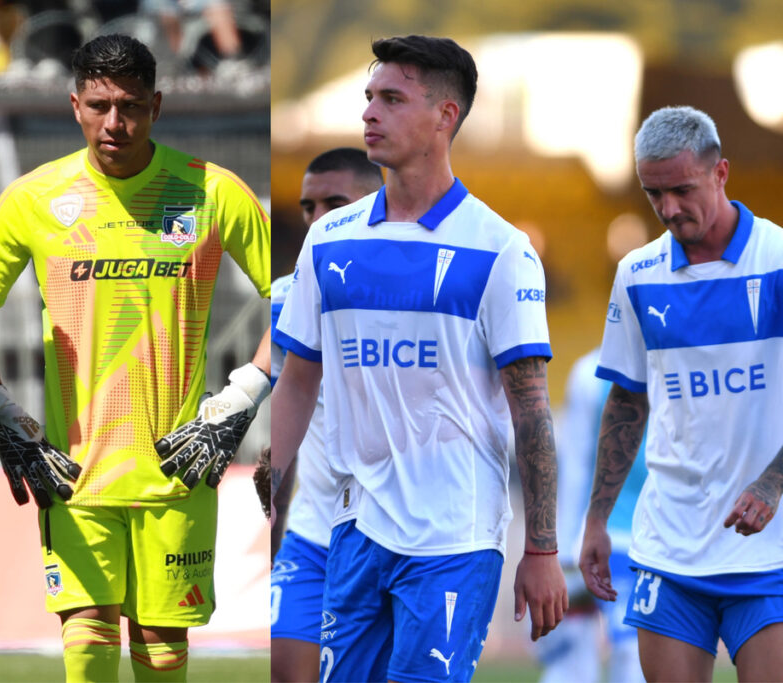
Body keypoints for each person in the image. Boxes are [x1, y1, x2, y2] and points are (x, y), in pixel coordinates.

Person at [0, 33, 270, 682]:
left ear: (157, 104)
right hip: (74, 472)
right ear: (74, 104)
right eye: (100, 105)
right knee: (88, 635)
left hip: (178, 469)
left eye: (131, 105)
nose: (115, 122)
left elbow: (301, 298)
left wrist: (245, 391)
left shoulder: (213, 192)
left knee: (163, 647)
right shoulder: (32, 199)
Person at [270, 34, 567, 682]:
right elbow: (296, 381)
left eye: (392, 99)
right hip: (353, 531)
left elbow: (532, 411)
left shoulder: (499, 250)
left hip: (454, 541)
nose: (369, 114)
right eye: (369, 97)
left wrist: (542, 547)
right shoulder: (328, 240)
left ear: (445, 115)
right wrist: (275, 487)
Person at [580, 105, 783, 682]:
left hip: (770, 550)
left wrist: (772, 483)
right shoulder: (638, 274)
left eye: (681, 189)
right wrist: (597, 518)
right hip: (669, 547)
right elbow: (627, 400)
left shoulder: (777, 260)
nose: (668, 208)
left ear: (721, 173)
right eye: (653, 194)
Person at [269, 147, 383, 683]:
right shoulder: (283, 300)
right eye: (307, 206)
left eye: (334, 203)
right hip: (312, 538)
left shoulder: (407, 298)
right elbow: (282, 409)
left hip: (394, 541)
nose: (317, 219)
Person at [535, 347, 646, 683]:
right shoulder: (589, 374)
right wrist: (563, 550)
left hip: (654, 541)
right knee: (571, 657)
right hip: (600, 537)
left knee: (633, 657)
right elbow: (575, 465)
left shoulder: (683, 361)